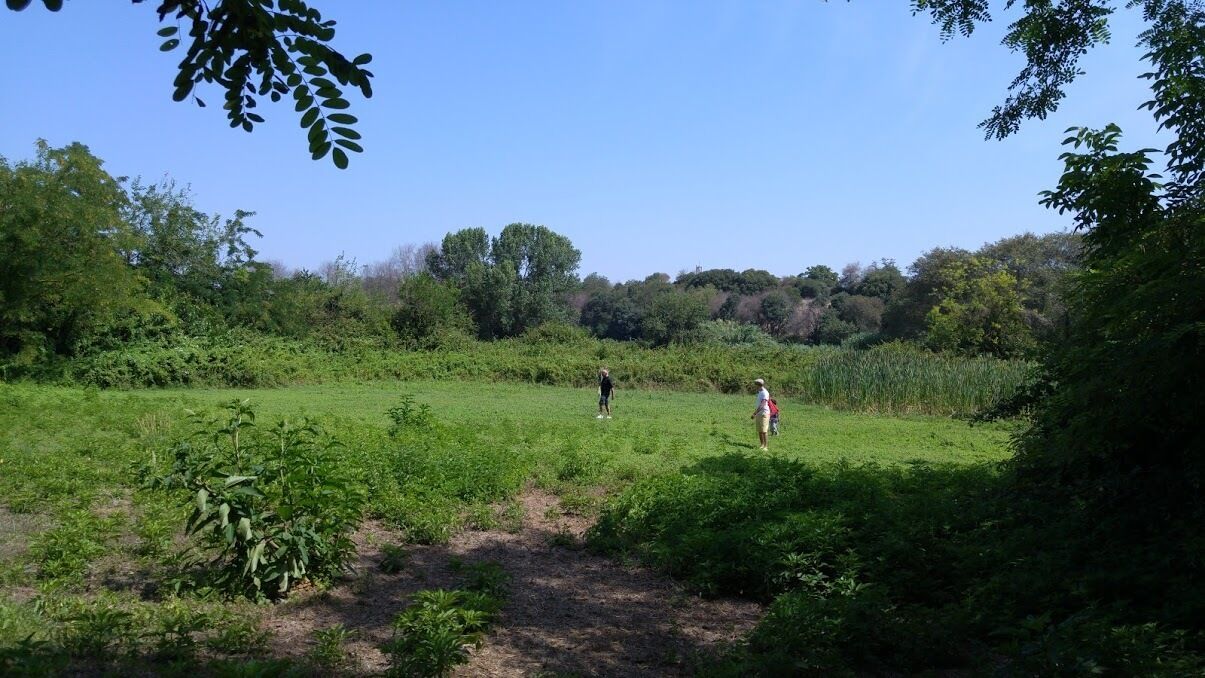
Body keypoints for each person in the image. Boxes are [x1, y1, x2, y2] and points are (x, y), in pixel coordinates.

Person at [751, 378, 770, 450]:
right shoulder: (760, 392)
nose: (755, 386)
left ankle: (766, 446)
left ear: (758, 385)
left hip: (764, 413)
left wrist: (754, 413)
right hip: (759, 413)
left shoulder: (764, 393)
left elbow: (763, 405)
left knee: (764, 431)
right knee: (760, 430)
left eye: (755, 385)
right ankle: (762, 445)